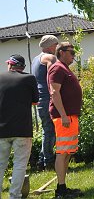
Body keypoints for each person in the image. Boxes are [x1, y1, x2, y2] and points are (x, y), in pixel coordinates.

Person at [0, 55, 38, 199]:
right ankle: (14, 196)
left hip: (1, 130)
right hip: (23, 130)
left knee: (0, 165)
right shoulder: (29, 78)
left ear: (10, 64)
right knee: (20, 165)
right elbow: (35, 101)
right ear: (22, 67)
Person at [48, 42, 83, 198]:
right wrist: (62, 115)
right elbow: (54, 93)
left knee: (68, 152)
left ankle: (63, 187)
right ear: (61, 52)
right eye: (71, 52)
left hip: (70, 117)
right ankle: (60, 191)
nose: (74, 55)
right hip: (64, 117)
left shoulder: (64, 68)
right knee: (62, 153)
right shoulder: (57, 68)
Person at [32, 34, 59, 171]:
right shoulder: (50, 57)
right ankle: (48, 162)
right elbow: (53, 76)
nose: (56, 47)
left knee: (46, 130)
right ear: (49, 46)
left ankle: (42, 160)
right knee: (50, 131)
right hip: (48, 98)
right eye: (55, 44)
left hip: (40, 99)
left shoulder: (36, 59)